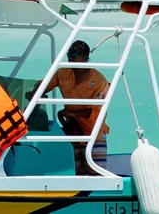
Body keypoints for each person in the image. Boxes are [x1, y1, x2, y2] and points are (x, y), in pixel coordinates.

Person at [42, 40, 109, 175]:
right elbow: (43, 86)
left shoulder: (98, 80)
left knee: (97, 173)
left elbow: (92, 111)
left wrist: (68, 113)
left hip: (94, 132)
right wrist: (35, 91)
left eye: (75, 55)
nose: (71, 59)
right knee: (77, 172)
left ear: (85, 58)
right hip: (73, 130)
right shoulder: (63, 73)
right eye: (69, 55)